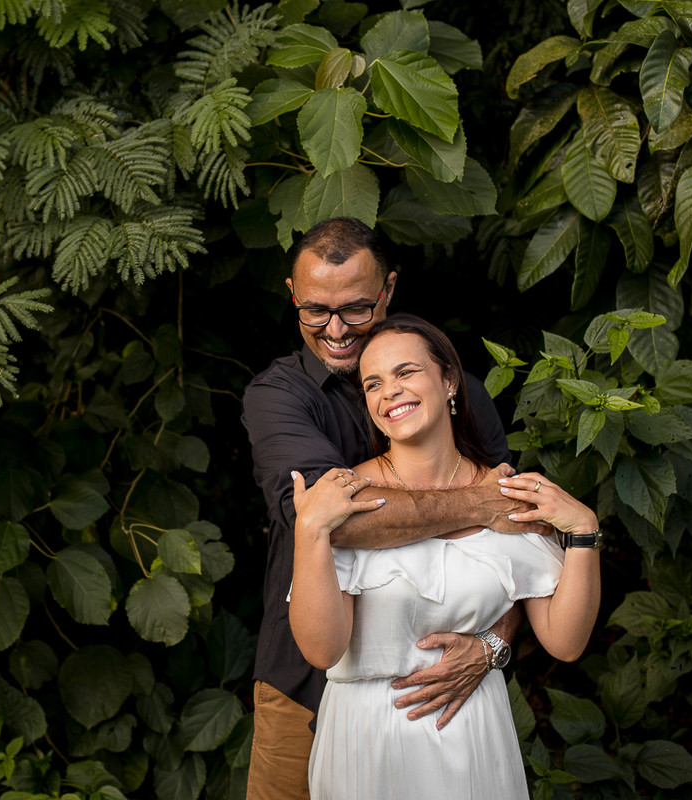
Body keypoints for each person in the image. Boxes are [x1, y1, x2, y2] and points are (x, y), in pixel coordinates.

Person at [241, 218, 550, 800]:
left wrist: (493, 646)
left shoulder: (455, 388)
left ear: (388, 290)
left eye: (356, 308)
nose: (336, 330)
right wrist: (480, 503)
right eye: (315, 310)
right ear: (291, 296)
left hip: (445, 685)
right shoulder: (278, 397)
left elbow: (519, 546)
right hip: (304, 678)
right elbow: (332, 526)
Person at [288, 314, 602, 799]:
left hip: (473, 729)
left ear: (449, 381)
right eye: (373, 383)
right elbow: (322, 649)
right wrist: (310, 529)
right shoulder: (346, 498)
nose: (389, 390)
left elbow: (566, 641)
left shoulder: (505, 493)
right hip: (367, 735)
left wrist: (584, 532)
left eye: (406, 372)